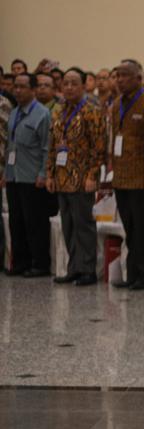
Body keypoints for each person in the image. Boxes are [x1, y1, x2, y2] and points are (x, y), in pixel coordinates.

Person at [46, 68, 107, 286]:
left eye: (74, 83)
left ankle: (87, 270)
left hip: (82, 178)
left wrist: (93, 175)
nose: (69, 87)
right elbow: (52, 145)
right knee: (68, 224)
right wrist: (50, 174)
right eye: (66, 83)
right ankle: (73, 267)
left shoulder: (92, 111)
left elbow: (99, 148)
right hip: (62, 177)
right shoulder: (58, 111)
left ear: (83, 86)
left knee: (84, 225)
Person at [107, 60, 144, 289]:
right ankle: (133, 273)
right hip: (120, 176)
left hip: (141, 177)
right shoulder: (116, 103)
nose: (120, 79)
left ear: (139, 78)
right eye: (118, 75)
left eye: (125, 75)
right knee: (129, 228)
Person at [2, 73, 52, 277]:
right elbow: (9, 146)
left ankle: (39, 263)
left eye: (23, 87)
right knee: (16, 221)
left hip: (33, 177)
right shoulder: (13, 112)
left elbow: (47, 147)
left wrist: (43, 173)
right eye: (16, 87)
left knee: (35, 223)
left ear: (33, 90)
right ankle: (20, 262)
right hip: (14, 175)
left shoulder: (42, 114)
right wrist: (6, 173)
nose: (18, 91)